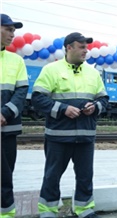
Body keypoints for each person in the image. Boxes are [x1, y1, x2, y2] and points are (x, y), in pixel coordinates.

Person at [31, 32, 109, 218]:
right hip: (58, 136)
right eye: (81, 47)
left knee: (85, 176)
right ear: (69, 48)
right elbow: (37, 98)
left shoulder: (93, 72)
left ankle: (84, 208)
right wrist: (62, 109)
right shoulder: (51, 70)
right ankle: (48, 211)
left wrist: (95, 107)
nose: (86, 51)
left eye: (86, 47)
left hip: (85, 136)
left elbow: (105, 100)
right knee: (52, 176)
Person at [1, 14, 28, 218]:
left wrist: (4, 112)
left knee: (5, 176)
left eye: (14, 30)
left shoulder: (16, 60)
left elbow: (21, 92)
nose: (13, 34)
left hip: (7, 129)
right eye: (8, 29)